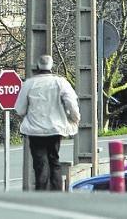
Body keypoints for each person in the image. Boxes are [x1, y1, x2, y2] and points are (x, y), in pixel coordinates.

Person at [14, 54, 81, 191]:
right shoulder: (60, 82)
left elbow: (20, 109)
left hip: (34, 131)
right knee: (54, 161)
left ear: (38, 66)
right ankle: (57, 193)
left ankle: (41, 194)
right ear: (51, 67)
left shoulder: (29, 83)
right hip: (55, 129)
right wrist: (75, 118)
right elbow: (71, 102)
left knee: (40, 164)